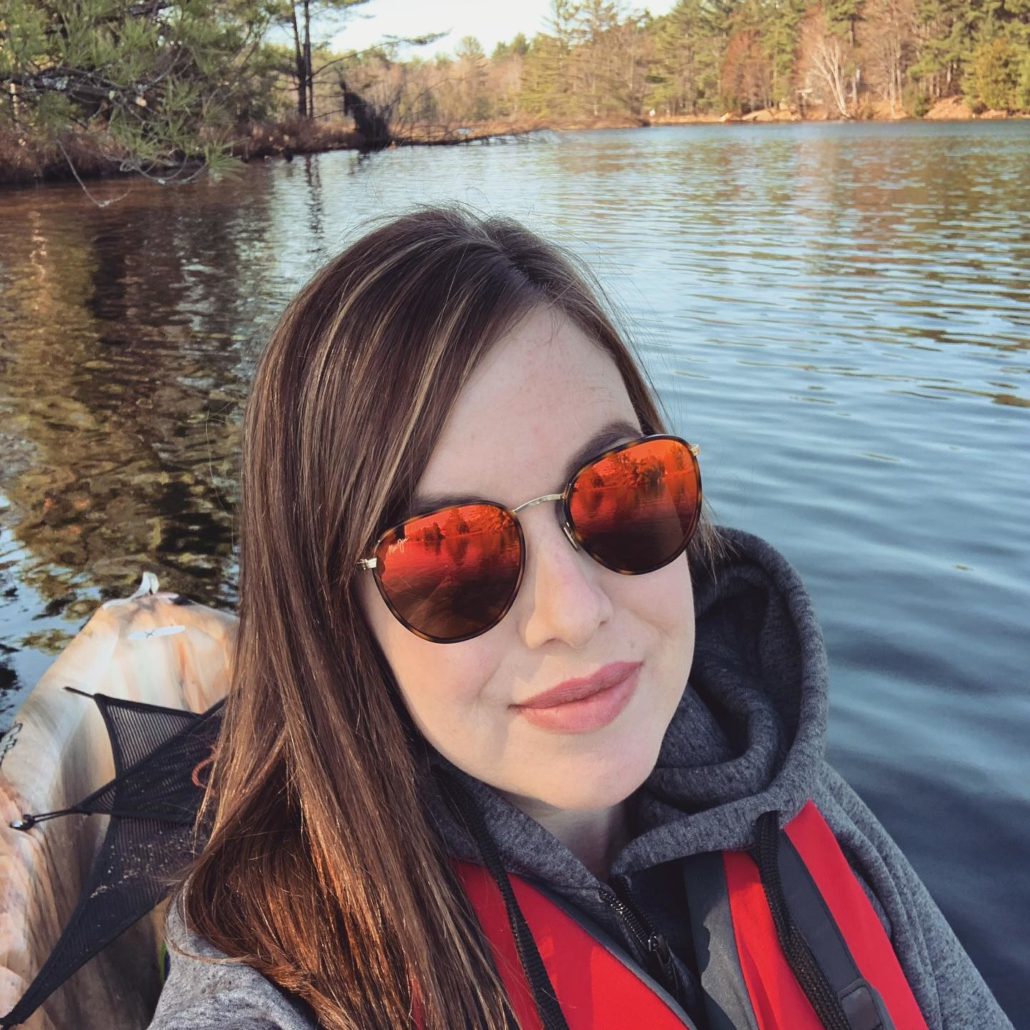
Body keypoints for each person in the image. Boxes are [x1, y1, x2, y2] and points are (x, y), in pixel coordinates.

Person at [146, 204, 1012, 1030]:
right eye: (450, 552)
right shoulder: (276, 991)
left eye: (623, 491)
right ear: (335, 620)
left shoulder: (777, 783)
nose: (576, 611)